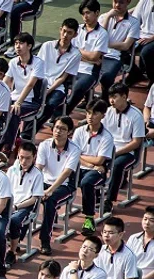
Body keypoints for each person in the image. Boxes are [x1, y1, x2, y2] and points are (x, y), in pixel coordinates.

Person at [36, 117, 80, 253]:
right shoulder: (44, 145)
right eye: (56, 127)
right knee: (27, 196)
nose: (58, 131)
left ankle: (45, 241)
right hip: (44, 182)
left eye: (63, 129)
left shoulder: (74, 149)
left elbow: (66, 173)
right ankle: (16, 237)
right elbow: (38, 168)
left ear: (69, 132)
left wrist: (50, 190)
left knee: (50, 200)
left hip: (64, 185)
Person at [74, 101, 115, 236]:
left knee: (87, 183)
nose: (90, 116)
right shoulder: (79, 131)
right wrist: (89, 164)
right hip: (83, 167)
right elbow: (73, 154)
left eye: (95, 113)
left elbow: (100, 160)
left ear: (103, 115)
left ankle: (89, 218)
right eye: (88, 113)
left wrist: (83, 157)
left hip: (98, 172)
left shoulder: (107, 137)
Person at [102, 83, 144, 212]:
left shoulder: (136, 115)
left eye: (115, 97)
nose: (111, 100)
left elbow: (136, 142)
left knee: (117, 165)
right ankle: (97, 196)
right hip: (109, 148)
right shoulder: (108, 112)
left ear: (124, 96)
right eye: (110, 97)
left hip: (128, 152)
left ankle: (109, 200)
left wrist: (116, 153)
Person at [36, 20, 81, 130]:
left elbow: (63, 78)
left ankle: (30, 131)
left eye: (69, 33)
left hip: (58, 86)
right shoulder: (47, 46)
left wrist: (48, 91)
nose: (65, 35)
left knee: (50, 105)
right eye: (64, 31)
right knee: (31, 104)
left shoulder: (76, 54)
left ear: (75, 35)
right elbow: (37, 69)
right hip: (40, 82)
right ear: (60, 30)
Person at [67, 0, 110, 115]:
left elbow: (95, 56)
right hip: (71, 66)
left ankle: (61, 114)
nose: (85, 16)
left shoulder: (102, 34)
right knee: (53, 83)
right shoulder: (77, 29)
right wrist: (88, 58)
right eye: (83, 13)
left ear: (97, 13)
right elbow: (68, 50)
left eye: (88, 13)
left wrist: (77, 52)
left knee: (78, 88)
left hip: (90, 72)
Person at [6, 142, 45, 263]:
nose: (23, 161)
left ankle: (12, 251)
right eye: (21, 157)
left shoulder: (38, 174)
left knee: (14, 221)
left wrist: (16, 206)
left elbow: (34, 199)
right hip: (9, 204)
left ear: (34, 157)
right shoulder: (12, 170)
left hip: (26, 207)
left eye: (28, 158)